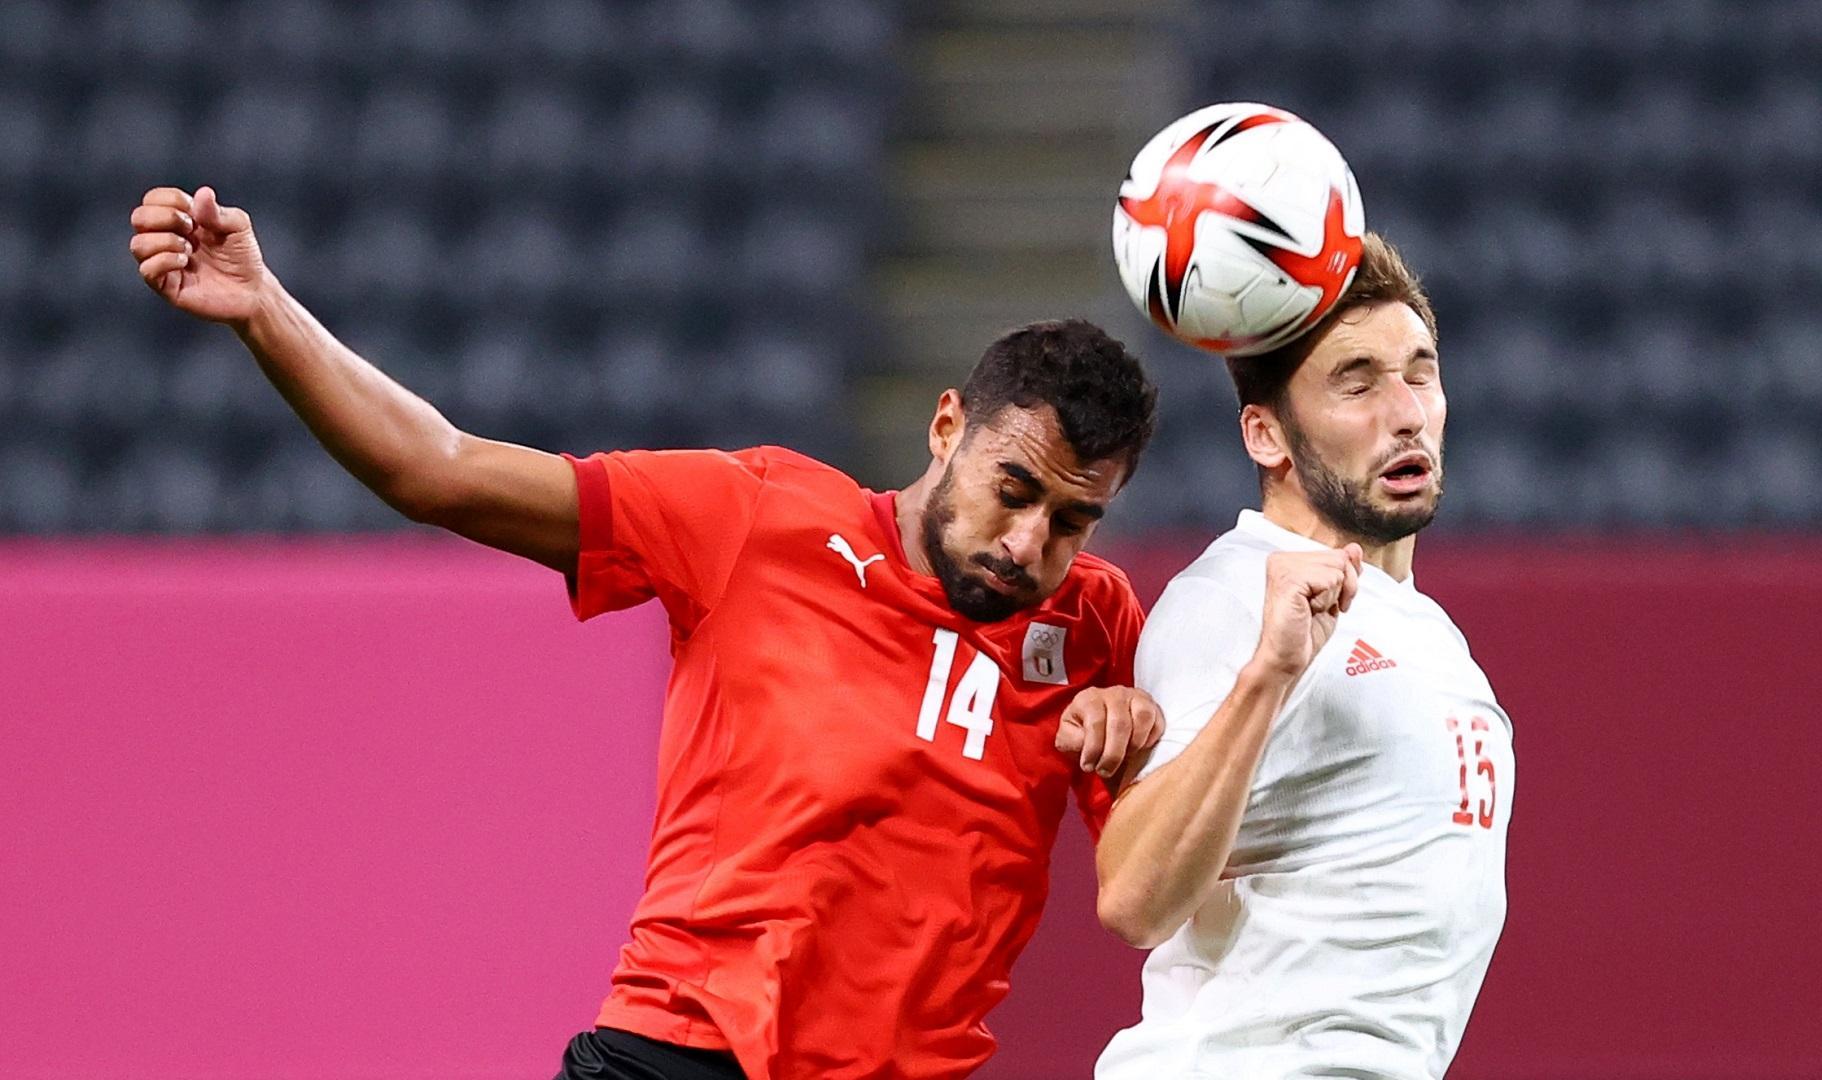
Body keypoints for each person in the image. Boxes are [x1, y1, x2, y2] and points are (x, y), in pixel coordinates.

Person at [128, 185, 1168, 1080]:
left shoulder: (1096, 622)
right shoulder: (754, 516)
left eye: (1073, 520)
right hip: (679, 1051)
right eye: (1013, 490)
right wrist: (264, 309)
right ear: (948, 429)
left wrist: (1149, 733)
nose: (1031, 543)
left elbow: (1147, 880)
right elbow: (437, 468)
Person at [1091, 234, 1512, 1080]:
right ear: (1266, 436)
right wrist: (1266, 678)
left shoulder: (1426, 630)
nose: (1405, 413)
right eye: (1355, 382)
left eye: (1420, 372)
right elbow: (1133, 895)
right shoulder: (1236, 599)